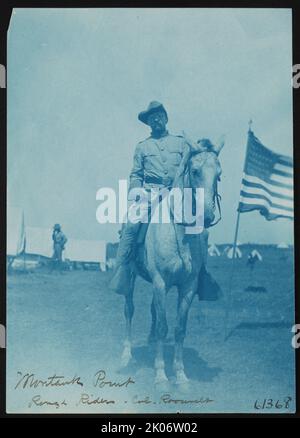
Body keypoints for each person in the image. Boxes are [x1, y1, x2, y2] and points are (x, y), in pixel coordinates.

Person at [110, 101, 214, 297]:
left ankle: (202, 274)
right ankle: (123, 270)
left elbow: (196, 161)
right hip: (149, 194)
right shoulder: (142, 147)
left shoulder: (181, 142)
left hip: (177, 195)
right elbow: (136, 174)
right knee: (131, 224)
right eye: (151, 118)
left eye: (159, 115)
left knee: (203, 230)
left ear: (166, 118)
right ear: (148, 123)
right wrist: (136, 191)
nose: (156, 119)